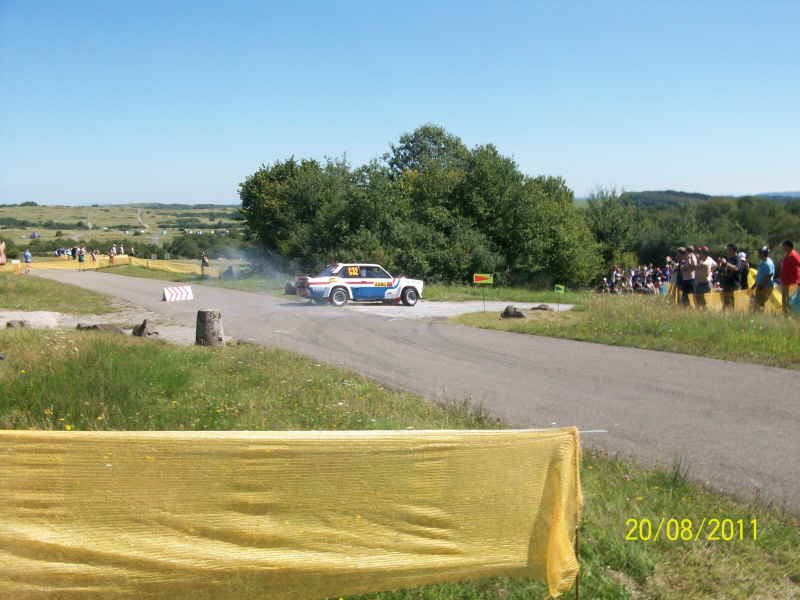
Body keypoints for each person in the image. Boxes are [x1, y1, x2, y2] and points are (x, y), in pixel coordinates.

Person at [718, 244, 745, 310]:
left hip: (734, 284)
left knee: (734, 303)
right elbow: (724, 270)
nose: (727, 251)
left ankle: (733, 315)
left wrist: (726, 263)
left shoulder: (738, 259)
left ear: (733, 250)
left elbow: (736, 268)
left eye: (728, 249)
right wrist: (721, 264)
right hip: (727, 283)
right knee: (726, 302)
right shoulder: (729, 259)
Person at [779, 240, 800, 315]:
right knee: (785, 299)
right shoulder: (788, 255)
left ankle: (791, 316)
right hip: (785, 282)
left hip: (792, 282)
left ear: (788, 246)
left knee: (791, 301)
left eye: (784, 246)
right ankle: (785, 315)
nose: (783, 247)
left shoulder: (794, 255)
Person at [753, 246, 775, 312]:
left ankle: (759, 315)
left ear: (762, 254)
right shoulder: (763, 261)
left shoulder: (767, 263)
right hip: (761, 286)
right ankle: (759, 315)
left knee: (759, 302)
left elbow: (769, 275)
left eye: (759, 253)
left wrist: (761, 285)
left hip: (765, 287)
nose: (758, 254)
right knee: (758, 302)